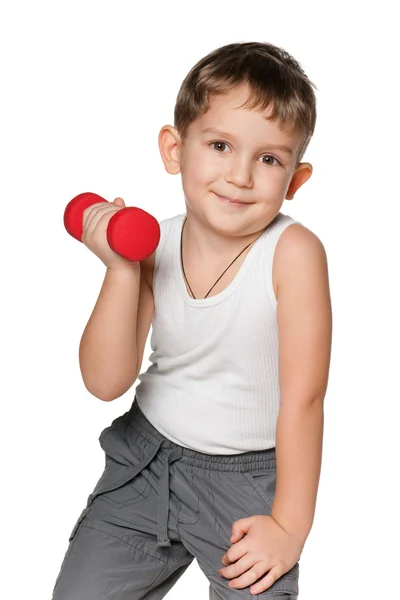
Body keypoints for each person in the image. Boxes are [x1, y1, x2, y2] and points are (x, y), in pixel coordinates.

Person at [52, 41, 332, 599]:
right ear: (174, 149)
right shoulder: (156, 240)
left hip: (245, 483)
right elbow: (105, 382)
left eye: (269, 159)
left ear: (295, 180)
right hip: (147, 461)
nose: (241, 175)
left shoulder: (294, 253)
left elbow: (305, 397)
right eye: (221, 145)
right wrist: (121, 269)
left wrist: (288, 528)